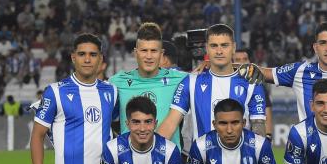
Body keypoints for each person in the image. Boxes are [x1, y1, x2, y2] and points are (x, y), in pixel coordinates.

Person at [31, 33, 118, 164]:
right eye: (82, 54)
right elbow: (37, 136)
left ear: (100, 59)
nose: (87, 59)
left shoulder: (112, 92)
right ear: (73, 57)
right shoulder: (55, 92)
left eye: (93, 55)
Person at [157, 24, 267, 153]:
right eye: (214, 46)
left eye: (224, 45)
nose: (219, 51)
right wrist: (151, 153)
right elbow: (170, 124)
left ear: (234, 48)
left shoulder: (251, 83)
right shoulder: (190, 82)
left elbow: (258, 128)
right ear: (206, 49)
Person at [109, 23, 187, 148]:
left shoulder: (181, 80)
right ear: (136, 52)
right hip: (130, 163)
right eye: (144, 50)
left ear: (161, 54)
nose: (149, 56)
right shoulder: (117, 82)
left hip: (168, 163)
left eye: (154, 51)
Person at [184, 98, 278, 164]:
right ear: (214, 124)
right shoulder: (200, 146)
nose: (229, 130)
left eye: (235, 123)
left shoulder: (260, 145)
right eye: (223, 123)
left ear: (243, 123)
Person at [100, 96, 182, 164]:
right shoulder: (111, 149)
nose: (142, 129)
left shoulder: (170, 151)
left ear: (155, 124)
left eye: (148, 122)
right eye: (136, 122)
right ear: (127, 124)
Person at [234, 47, 273, 141]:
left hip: (250, 137)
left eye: (245, 59)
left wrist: (268, 135)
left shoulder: (257, 83)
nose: (242, 63)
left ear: (249, 61)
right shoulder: (224, 82)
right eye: (238, 60)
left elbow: (266, 110)